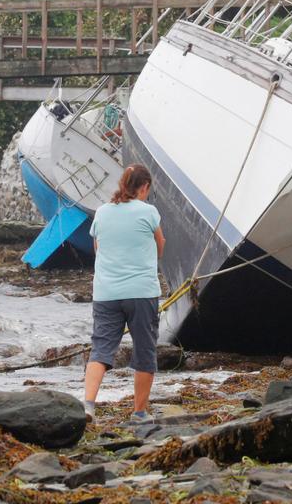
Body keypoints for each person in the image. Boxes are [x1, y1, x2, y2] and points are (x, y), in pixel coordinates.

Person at [82, 164, 165, 422]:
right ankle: (139, 412)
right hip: (141, 292)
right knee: (144, 350)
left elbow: (98, 248)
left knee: (101, 349)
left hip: (106, 293)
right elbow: (160, 246)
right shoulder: (148, 212)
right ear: (144, 187)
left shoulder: (103, 212)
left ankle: (88, 406)